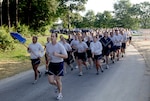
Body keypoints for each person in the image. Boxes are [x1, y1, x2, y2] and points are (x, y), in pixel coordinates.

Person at [46, 33, 68, 100]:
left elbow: (66, 56)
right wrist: (48, 57)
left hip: (59, 64)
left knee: (58, 80)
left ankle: (60, 94)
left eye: (53, 36)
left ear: (56, 38)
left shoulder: (60, 46)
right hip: (52, 64)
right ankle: (57, 86)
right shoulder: (48, 45)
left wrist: (58, 55)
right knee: (51, 81)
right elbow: (47, 53)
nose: (52, 38)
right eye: (51, 36)